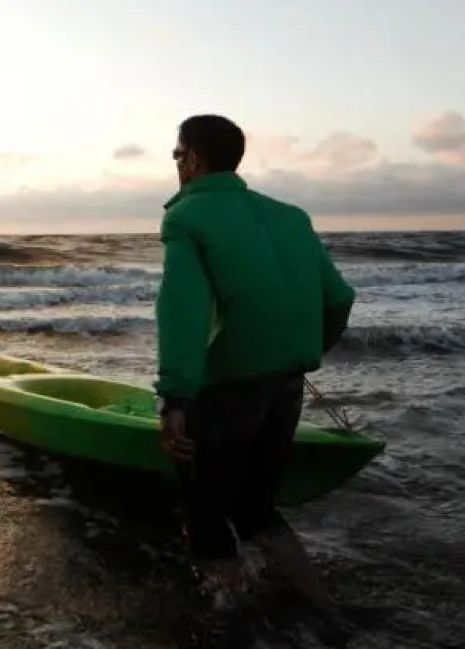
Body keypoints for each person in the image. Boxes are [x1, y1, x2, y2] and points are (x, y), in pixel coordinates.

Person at [152, 114, 356, 614]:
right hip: (285, 384)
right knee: (255, 509)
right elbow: (338, 298)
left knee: (206, 513)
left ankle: (229, 627)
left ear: (194, 159)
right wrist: (301, 352)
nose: (176, 164)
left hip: (226, 391)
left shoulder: (187, 218)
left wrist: (174, 397)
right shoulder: (291, 217)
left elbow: (182, 313)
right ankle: (321, 609)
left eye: (178, 155)